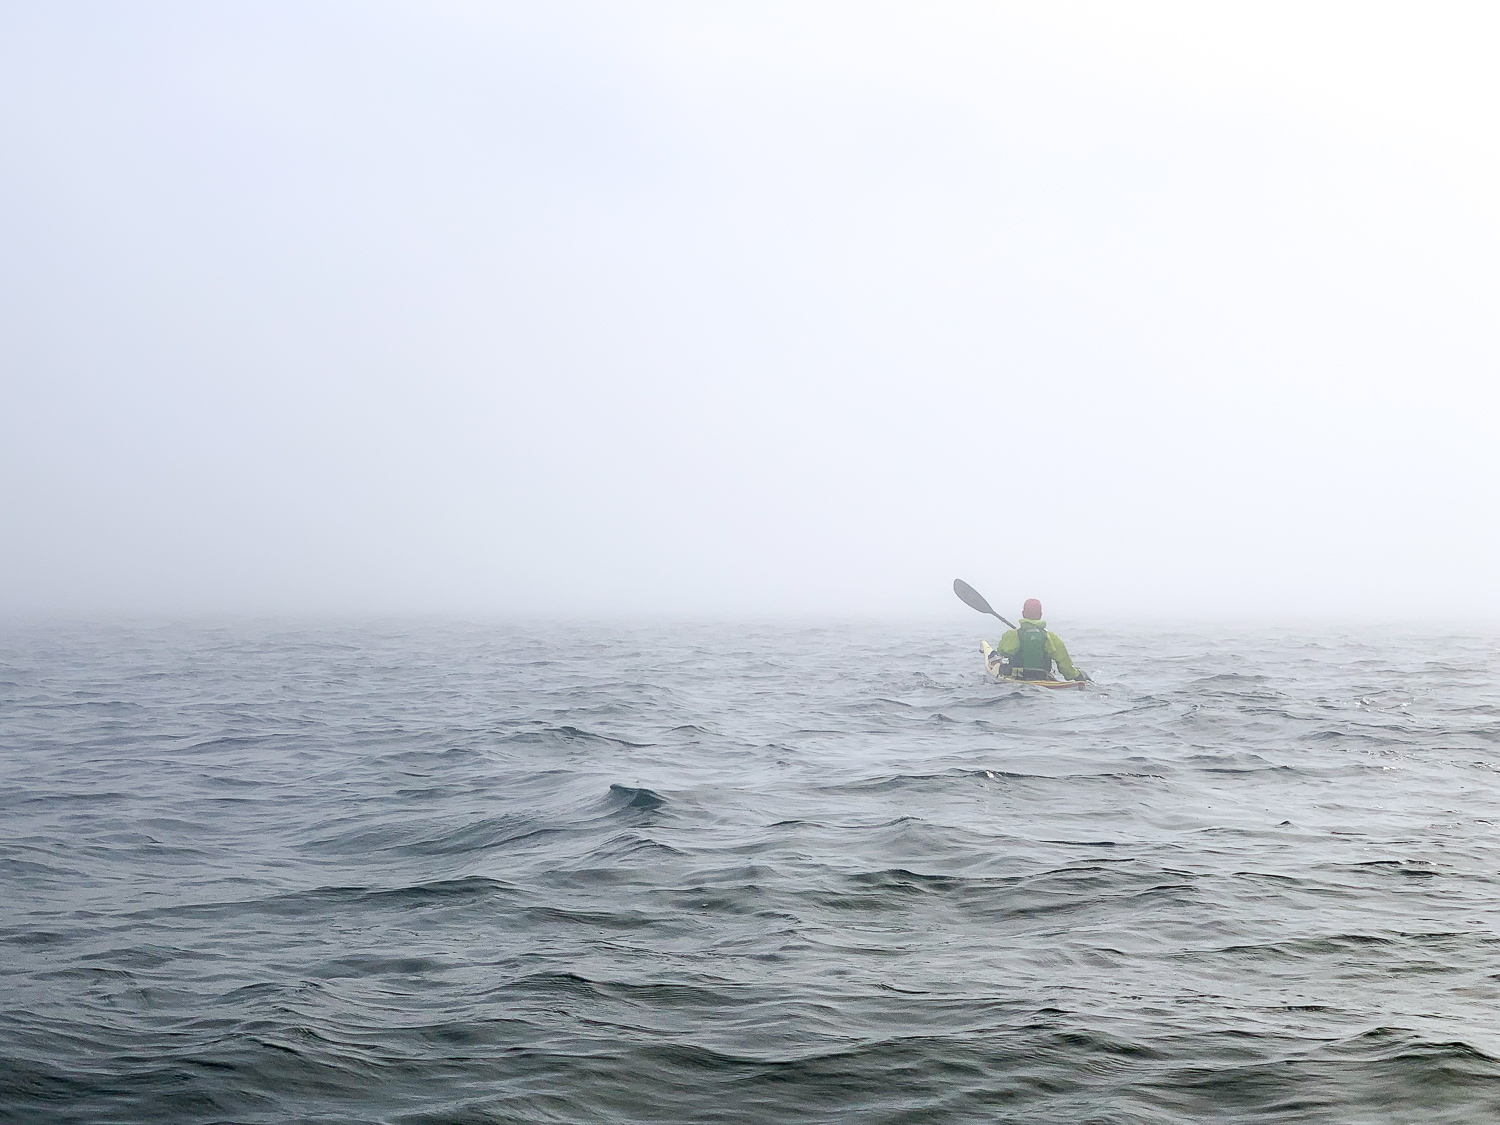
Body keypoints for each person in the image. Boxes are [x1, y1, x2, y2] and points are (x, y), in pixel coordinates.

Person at [996, 599, 1087, 681]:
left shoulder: (1012, 635)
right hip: (1043, 680)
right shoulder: (1051, 637)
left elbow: (1001, 652)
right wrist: (1077, 676)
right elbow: (1066, 669)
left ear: (1023, 614)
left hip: (1016, 679)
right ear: (1040, 615)